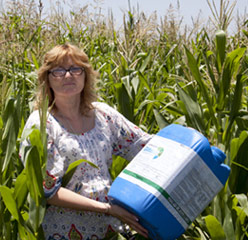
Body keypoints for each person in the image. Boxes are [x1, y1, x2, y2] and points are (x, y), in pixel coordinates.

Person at [20, 43, 152, 240]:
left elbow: (145, 146)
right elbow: (48, 190)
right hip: (65, 231)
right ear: (47, 79)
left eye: (75, 69)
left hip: (111, 229)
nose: (68, 75)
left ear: (85, 75)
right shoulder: (41, 124)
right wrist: (107, 209)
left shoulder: (103, 114)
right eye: (58, 70)